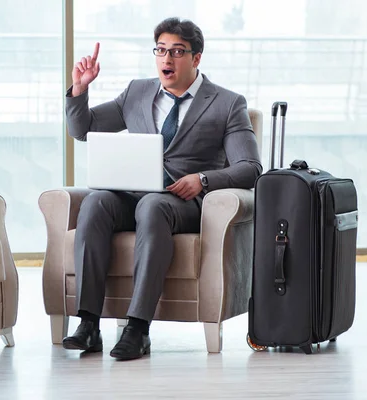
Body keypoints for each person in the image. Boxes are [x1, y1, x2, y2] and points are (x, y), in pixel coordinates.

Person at [62, 17, 262, 361]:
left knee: (153, 206)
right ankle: (88, 324)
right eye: (160, 50)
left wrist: (203, 180)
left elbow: (250, 168)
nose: (166, 60)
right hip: (134, 195)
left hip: (181, 203)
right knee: (95, 203)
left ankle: (137, 328)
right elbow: (84, 129)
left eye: (177, 52)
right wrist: (80, 90)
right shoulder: (137, 92)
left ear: (196, 58)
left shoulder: (227, 104)